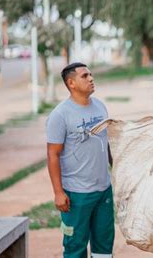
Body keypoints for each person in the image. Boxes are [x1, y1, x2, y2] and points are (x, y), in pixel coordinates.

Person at [46, 62, 114, 258]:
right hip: (76, 194)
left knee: (104, 246)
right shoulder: (60, 115)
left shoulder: (100, 106)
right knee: (75, 246)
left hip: (103, 190)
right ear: (71, 83)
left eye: (91, 74)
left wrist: (115, 169)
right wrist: (58, 192)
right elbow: (53, 155)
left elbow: (105, 142)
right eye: (85, 76)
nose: (91, 78)